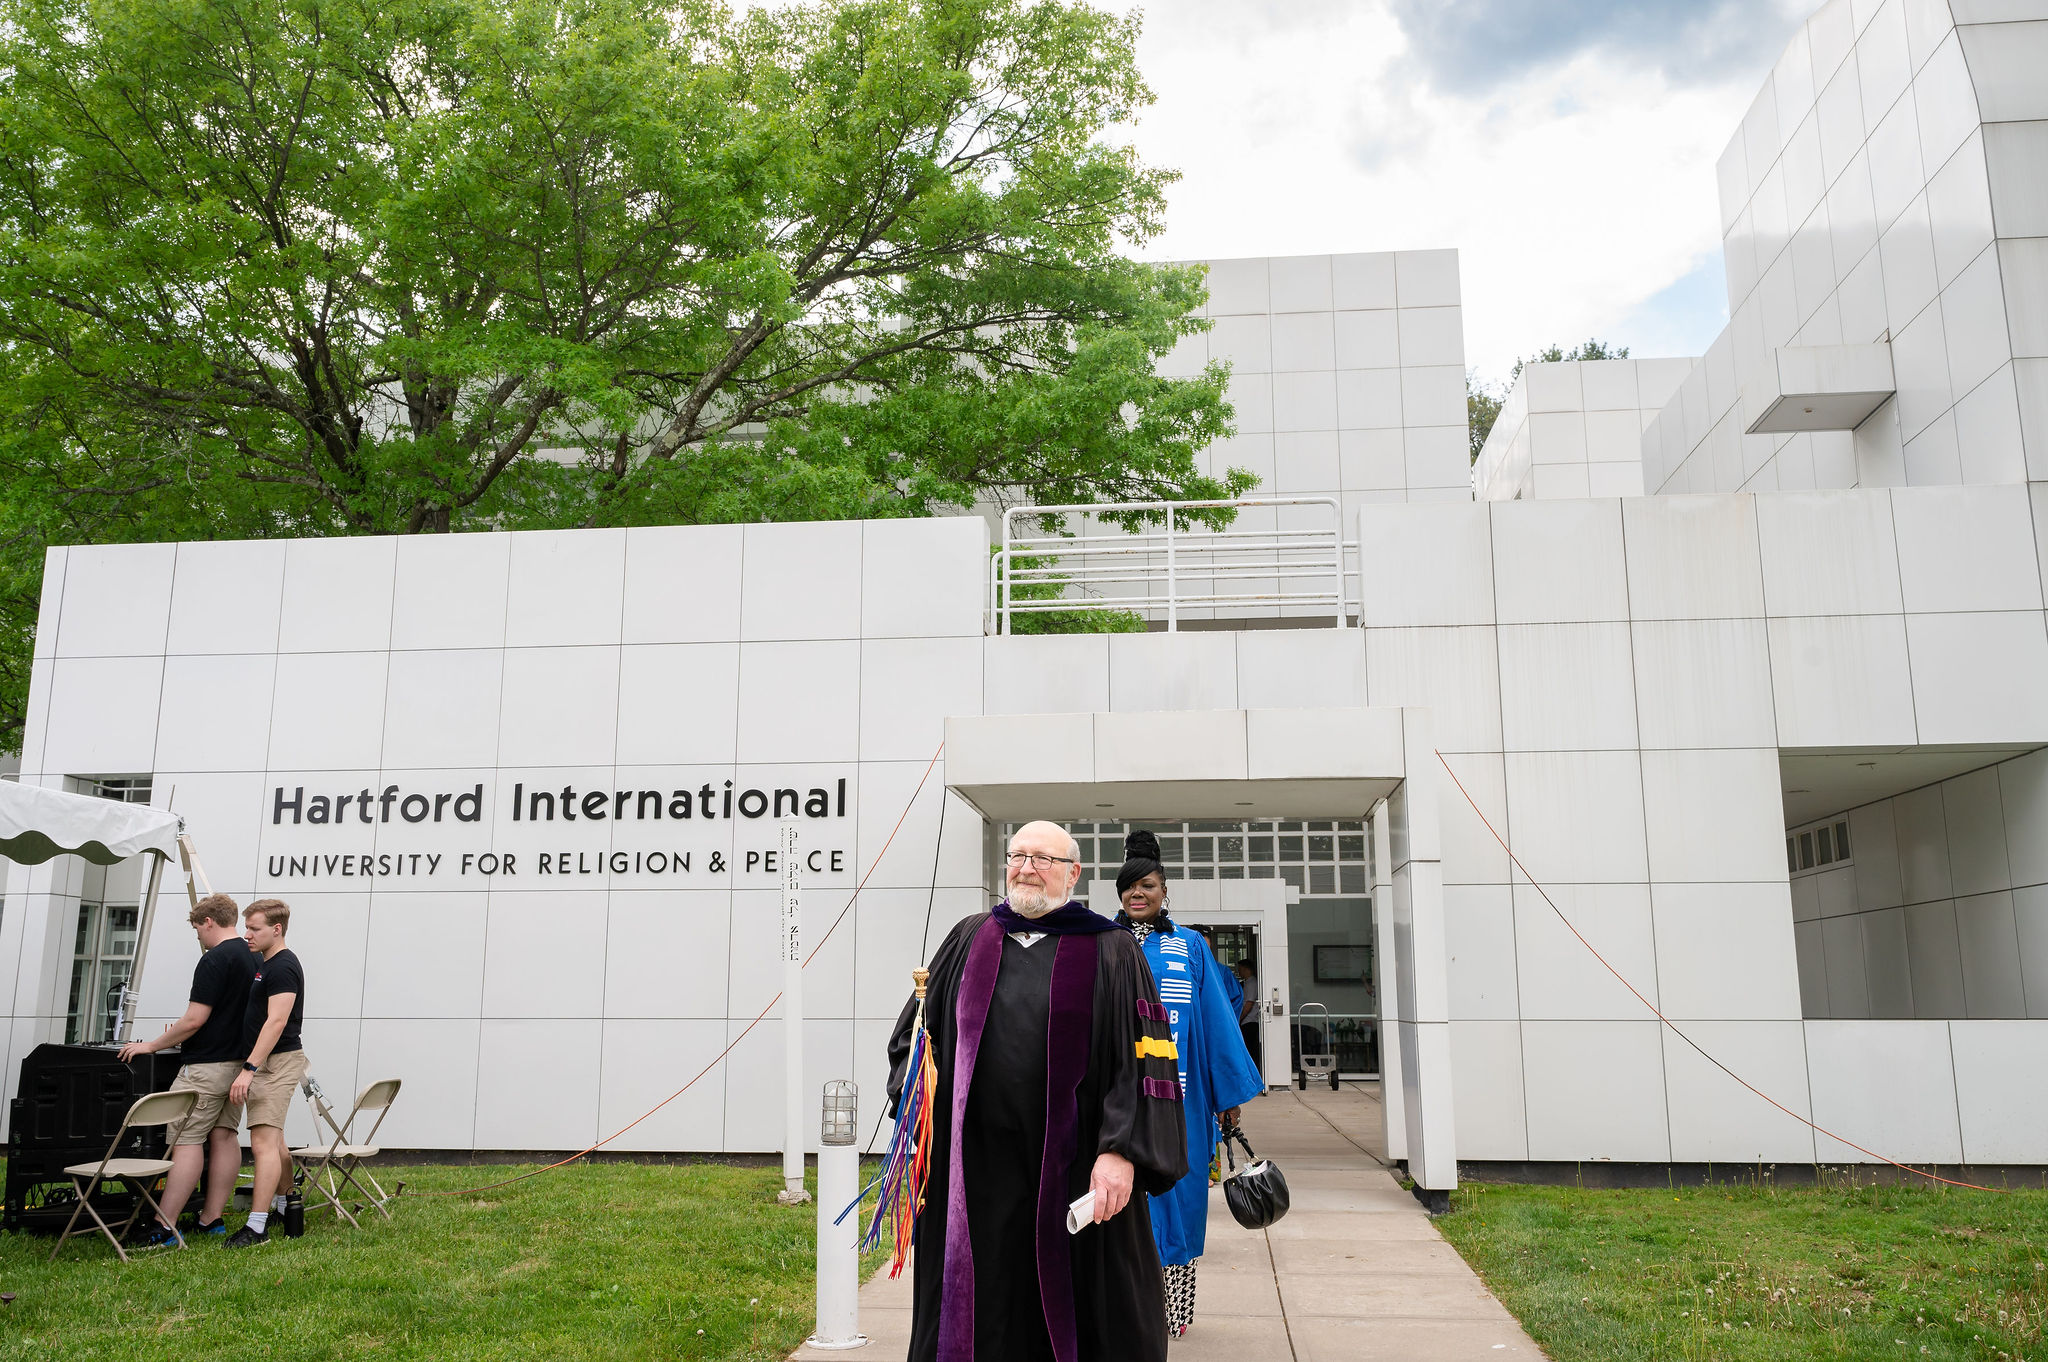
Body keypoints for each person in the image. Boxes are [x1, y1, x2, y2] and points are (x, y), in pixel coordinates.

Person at [887, 819, 1188, 1362]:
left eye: (1043, 858)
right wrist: (920, 1116)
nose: (1027, 868)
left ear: (1072, 873)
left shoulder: (1113, 950)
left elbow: (1145, 1060)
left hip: (1076, 1170)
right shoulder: (968, 938)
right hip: (976, 1171)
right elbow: (917, 1037)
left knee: (1086, 1312)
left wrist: (1120, 1151)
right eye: (1018, 855)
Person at [1113, 831, 1265, 1339]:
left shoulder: (1190, 946)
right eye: (1131, 886)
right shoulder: (1101, 944)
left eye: (1149, 886)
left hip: (1181, 1101)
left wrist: (1228, 1100)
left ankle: (1171, 1313)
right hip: (1117, 1104)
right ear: (1119, 892)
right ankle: (1123, 1311)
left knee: (1177, 1204)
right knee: (1116, 1204)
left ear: (1163, 891)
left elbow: (1216, 1024)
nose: (1140, 895)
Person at [117, 893, 257, 1248]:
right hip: (238, 1066)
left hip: (206, 1067)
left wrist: (149, 1045)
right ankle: (212, 1219)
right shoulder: (252, 954)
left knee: (186, 1141)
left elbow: (195, 1019)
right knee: (225, 1136)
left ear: (208, 922)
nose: (197, 936)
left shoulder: (214, 959)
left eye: (197, 928)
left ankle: (165, 1227)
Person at [224, 899, 305, 1248]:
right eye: (247, 927)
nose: (247, 935)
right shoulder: (267, 964)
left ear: (277, 929)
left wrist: (248, 1070)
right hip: (269, 1062)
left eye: (254, 928)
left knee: (263, 1144)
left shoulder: (283, 967)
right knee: (276, 1143)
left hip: (276, 1063)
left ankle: (256, 1228)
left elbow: (277, 1021)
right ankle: (290, 1208)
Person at [1233, 960, 1263, 1066]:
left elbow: (1248, 1004)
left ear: (1246, 969)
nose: (1239, 972)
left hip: (1250, 1022)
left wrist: (1239, 1019)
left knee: (1250, 1049)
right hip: (1248, 1021)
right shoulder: (1249, 983)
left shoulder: (1251, 983)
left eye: (1240, 969)